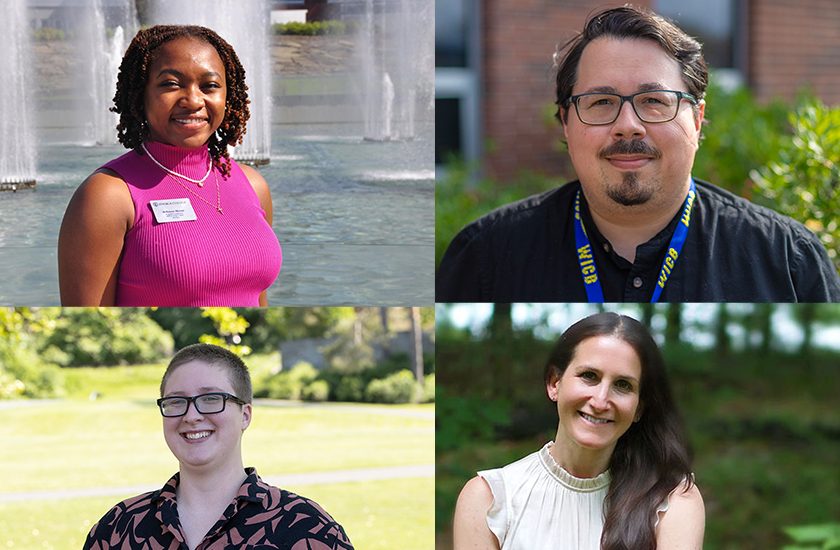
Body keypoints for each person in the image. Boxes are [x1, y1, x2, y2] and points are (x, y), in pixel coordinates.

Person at [436, 5, 840, 302]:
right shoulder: (484, 259)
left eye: (653, 100)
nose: (628, 124)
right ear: (565, 122)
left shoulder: (789, 262)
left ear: (697, 121)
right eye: (600, 102)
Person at [58, 25, 282, 306]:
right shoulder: (107, 196)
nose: (193, 100)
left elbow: (257, 301)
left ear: (228, 95)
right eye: (171, 84)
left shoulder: (253, 185)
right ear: (142, 93)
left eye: (209, 86)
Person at [452, 312, 704, 549]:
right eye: (589, 376)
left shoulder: (673, 500)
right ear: (554, 383)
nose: (600, 401)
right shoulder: (489, 500)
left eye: (623, 385)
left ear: (639, 407)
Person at [83, 343, 354, 550]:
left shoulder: (308, 530)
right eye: (176, 402)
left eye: (211, 399)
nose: (191, 416)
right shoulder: (118, 528)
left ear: (245, 415)